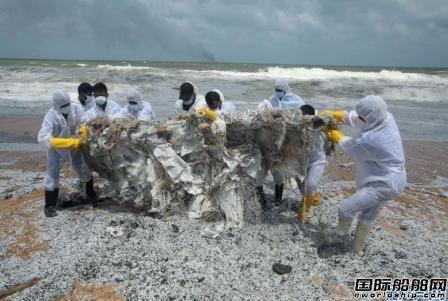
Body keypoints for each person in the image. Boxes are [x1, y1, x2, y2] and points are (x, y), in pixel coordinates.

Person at [324, 95, 406, 256]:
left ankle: (334, 239)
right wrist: (335, 114)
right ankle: (357, 249)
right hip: (392, 175)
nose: (358, 117)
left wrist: (332, 133)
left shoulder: (374, 140)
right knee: (369, 214)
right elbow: (360, 118)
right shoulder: (386, 117)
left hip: (385, 184)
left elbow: (350, 147)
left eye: (361, 116)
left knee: (346, 209)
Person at [37, 91, 96, 217]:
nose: (66, 107)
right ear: (56, 106)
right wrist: (62, 142)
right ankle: (50, 205)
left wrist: (84, 129)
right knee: (52, 173)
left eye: (67, 104)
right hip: (57, 149)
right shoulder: (51, 115)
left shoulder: (76, 108)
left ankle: (90, 195)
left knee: (83, 168)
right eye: (63, 106)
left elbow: (83, 121)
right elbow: (43, 137)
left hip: (75, 145)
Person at [255, 79, 305, 209]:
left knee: (278, 172)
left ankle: (278, 200)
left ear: (286, 89)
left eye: (280, 91)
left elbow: (301, 118)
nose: (278, 93)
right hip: (268, 144)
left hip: (284, 145)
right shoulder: (272, 100)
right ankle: (262, 201)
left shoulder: (297, 101)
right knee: (261, 173)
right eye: (276, 90)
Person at [297, 104, 327, 221]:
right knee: (301, 187)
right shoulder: (295, 128)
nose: (303, 119)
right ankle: (310, 195)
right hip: (300, 163)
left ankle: (306, 210)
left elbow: (329, 123)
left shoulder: (319, 127)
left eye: (305, 117)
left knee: (311, 184)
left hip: (317, 161)